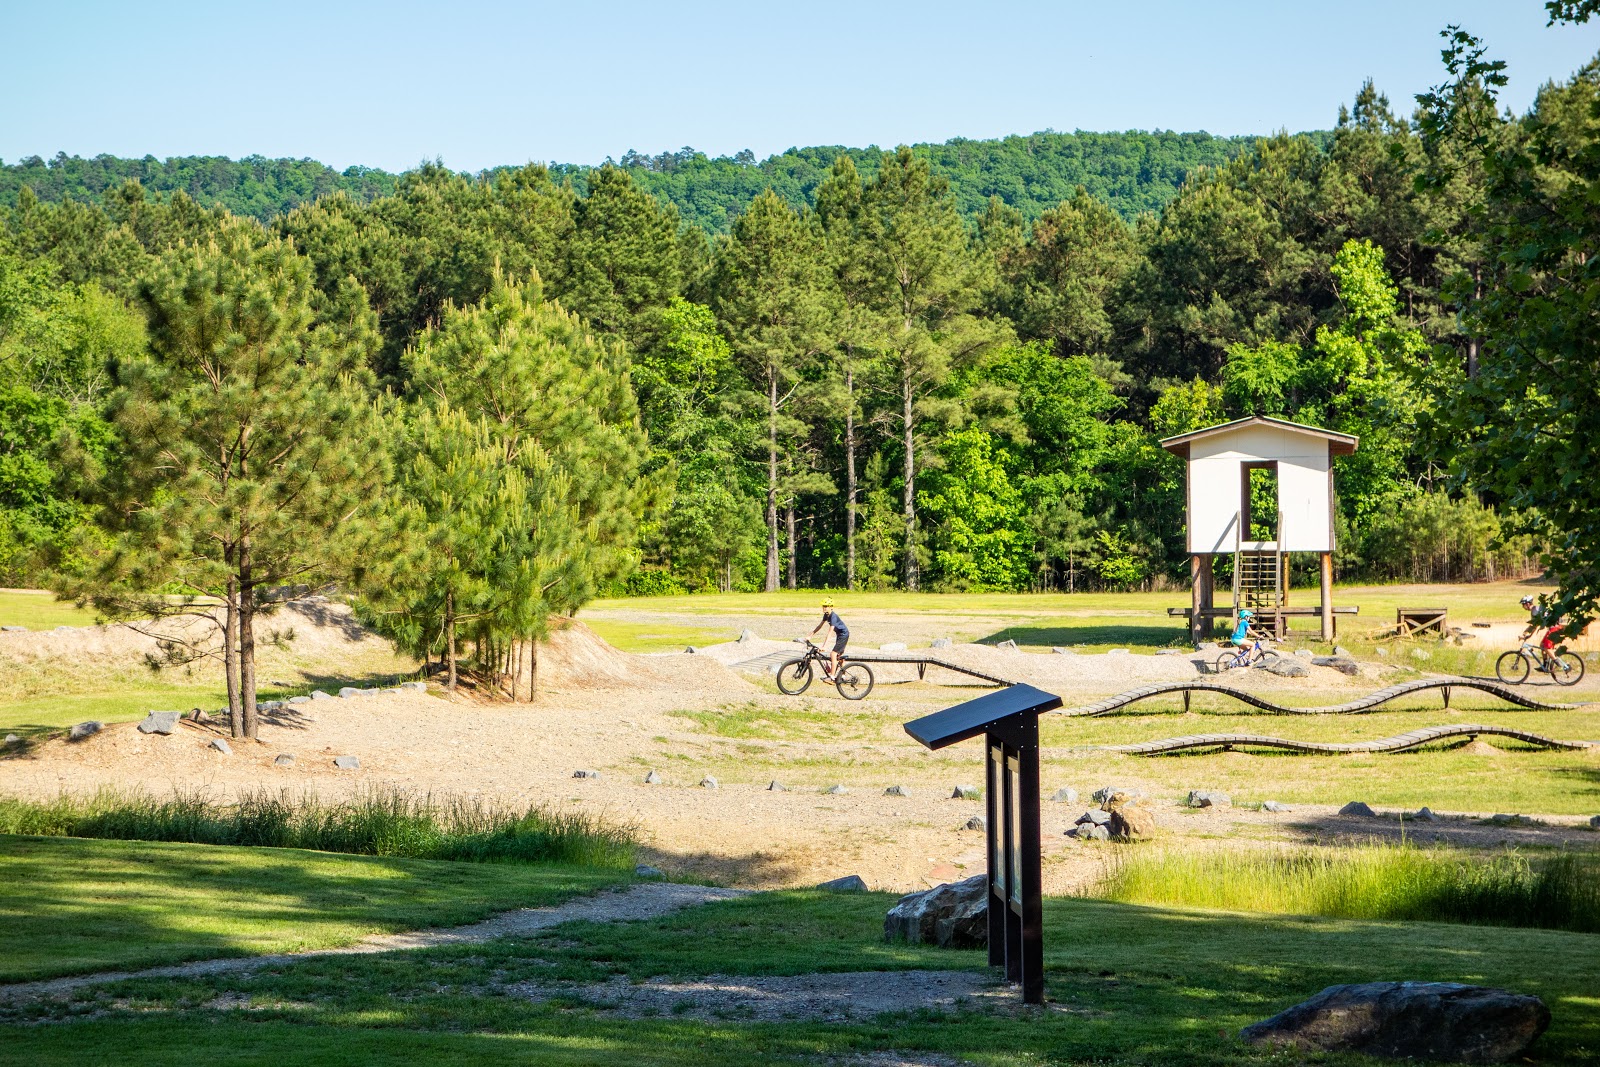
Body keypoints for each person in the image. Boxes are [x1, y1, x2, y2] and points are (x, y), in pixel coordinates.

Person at [1519, 594, 1566, 672]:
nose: (1522, 607)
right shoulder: (1535, 610)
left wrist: (1525, 633)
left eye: (1523, 604)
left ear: (1527, 604)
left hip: (1554, 627)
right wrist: (1529, 635)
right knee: (1542, 645)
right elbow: (1535, 625)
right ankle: (1545, 665)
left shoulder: (1535, 611)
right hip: (1553, 627)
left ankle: (1559, 664)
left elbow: (1534, 625)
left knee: (1546, 648)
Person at [810, 598, 849, 678]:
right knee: (839, 656)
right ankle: (843, 676)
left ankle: (832, 676)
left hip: (843, 634)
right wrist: (810, 635)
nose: (824, 608)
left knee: (833, 654)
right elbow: (819, 626)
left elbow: (830, 632)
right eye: (823, 606)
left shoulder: (833, 617)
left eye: (826, 606)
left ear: (831, 607)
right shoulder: (826, 615)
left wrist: (824, 646)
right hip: (839, 634)